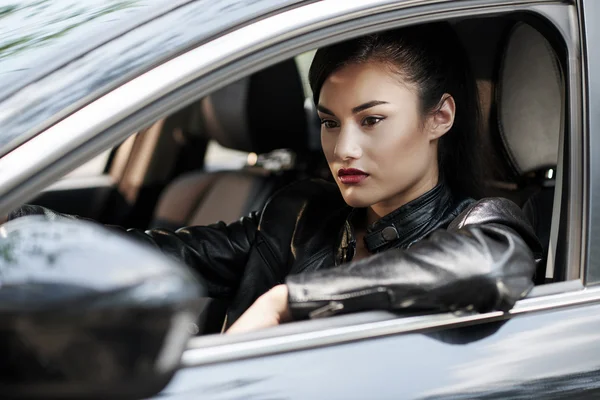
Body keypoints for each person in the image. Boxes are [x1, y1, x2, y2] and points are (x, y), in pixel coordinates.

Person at [8, 23, 541, 334]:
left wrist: (289, 299)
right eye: (330, 123)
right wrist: (25, 227)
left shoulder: (479, 224)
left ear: (439, 117)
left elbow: (492, 266)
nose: (344, 148)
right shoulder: (302, 212)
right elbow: (166, 257)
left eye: (372, 120)